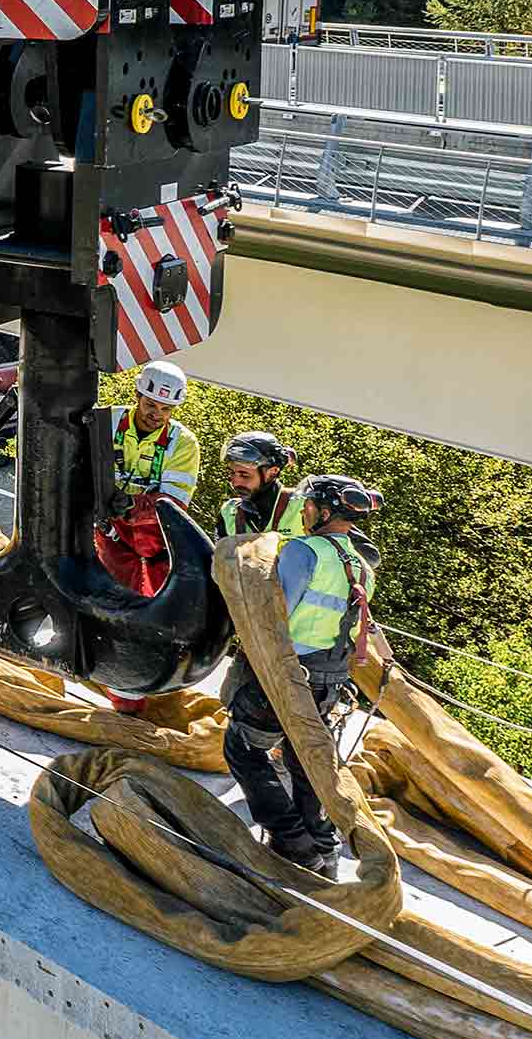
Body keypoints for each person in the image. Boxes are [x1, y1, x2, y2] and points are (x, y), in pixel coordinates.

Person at [221, 472, 383, 875]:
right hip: (328, 682)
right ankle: (323, 851)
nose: (304, 509)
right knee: (306, 760)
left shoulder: (303, 552)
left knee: (244, 747)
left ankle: (291, 842)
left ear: (324, 511)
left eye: (309, 504)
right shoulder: (363, 567)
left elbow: (275, 613)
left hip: (289, 675)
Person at [95, 359, 200, 711]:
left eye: (166, 408)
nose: (157, 414)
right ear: (138, 395)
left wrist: (134, 505)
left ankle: (159, 679)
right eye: (152, 404)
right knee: (115, 600)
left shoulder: (182, 444)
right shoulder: (107, 422)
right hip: (112, 530)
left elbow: (174, 502)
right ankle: (118, 682)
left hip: (157, 536)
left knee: (162, 609)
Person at [217, 432, 302, 537]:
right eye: (232, 473)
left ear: (272, 472)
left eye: (245, 475)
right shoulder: (229, 512)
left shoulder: (303, 506)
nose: (235, 482)